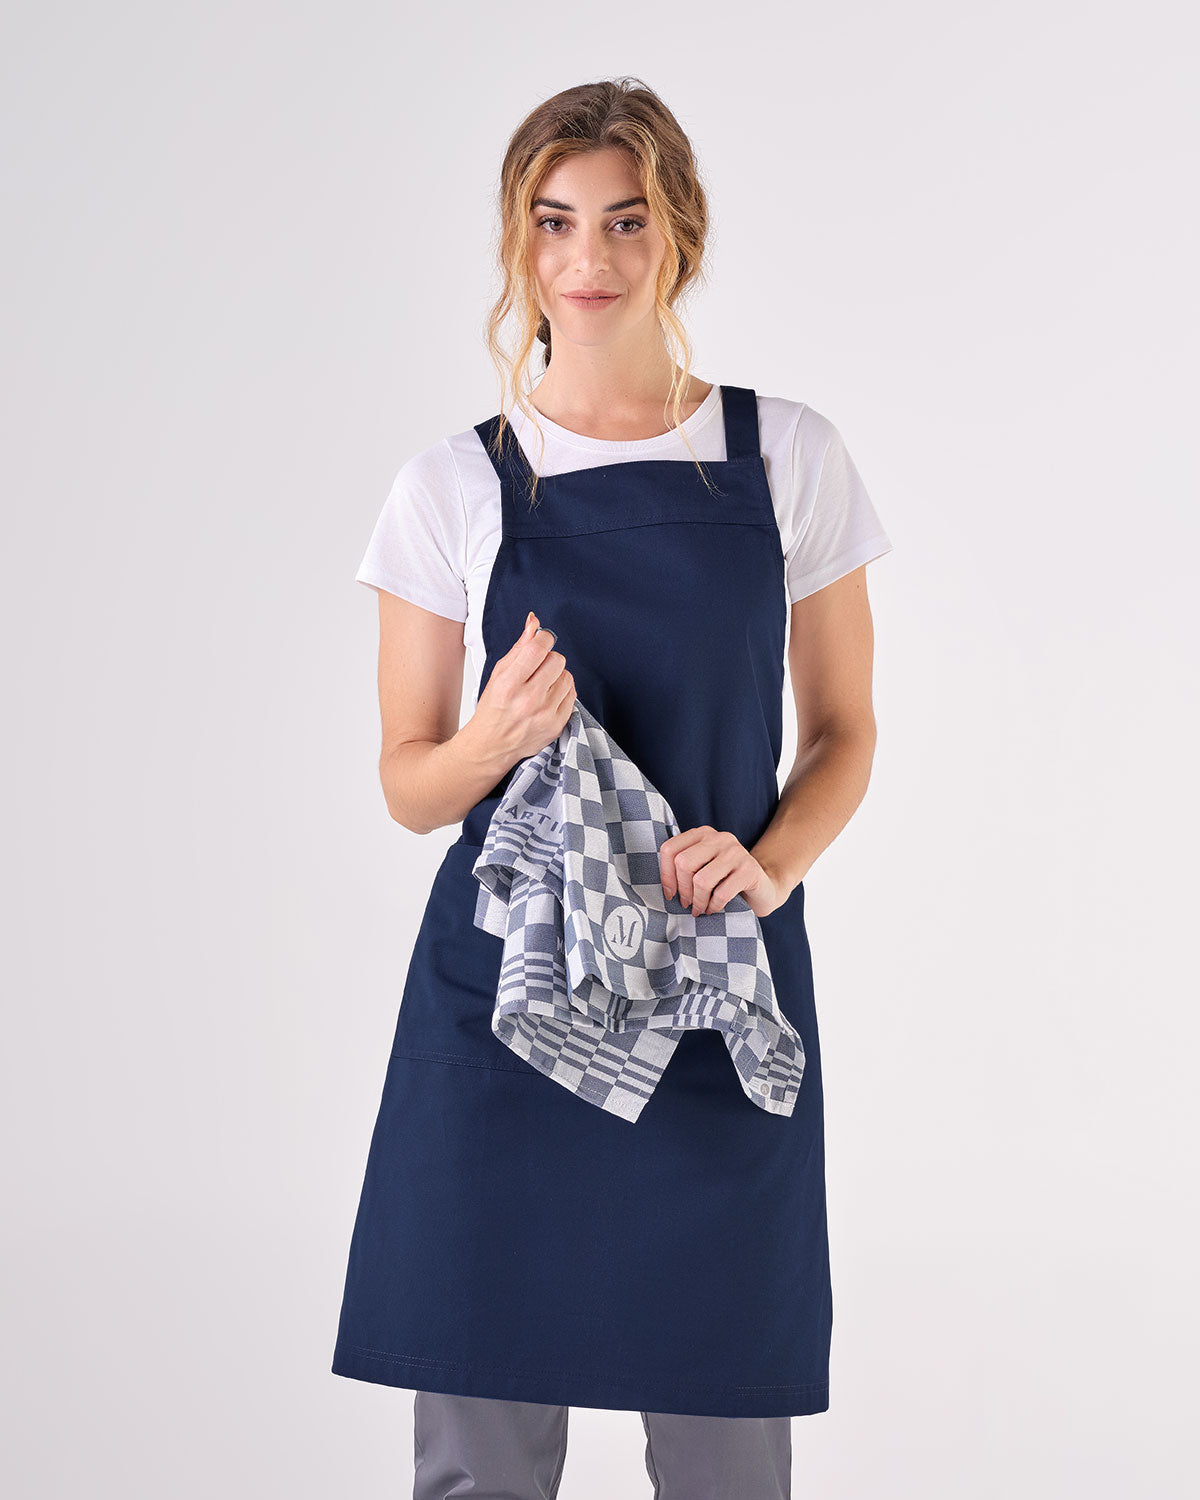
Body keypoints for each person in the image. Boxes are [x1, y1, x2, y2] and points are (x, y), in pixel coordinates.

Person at [332, 77, 894, 1500]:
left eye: (626, 221)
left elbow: (844, 732)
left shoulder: (787, 457)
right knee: (479, 1463)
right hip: (505, 1008)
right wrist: (492, 742)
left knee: (726, 1455)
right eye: (556, 221)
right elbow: (410, 783)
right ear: (517, 243)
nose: (589, 257)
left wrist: (771, 865)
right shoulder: (453, 488)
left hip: (713, 993)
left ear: (679, 236)